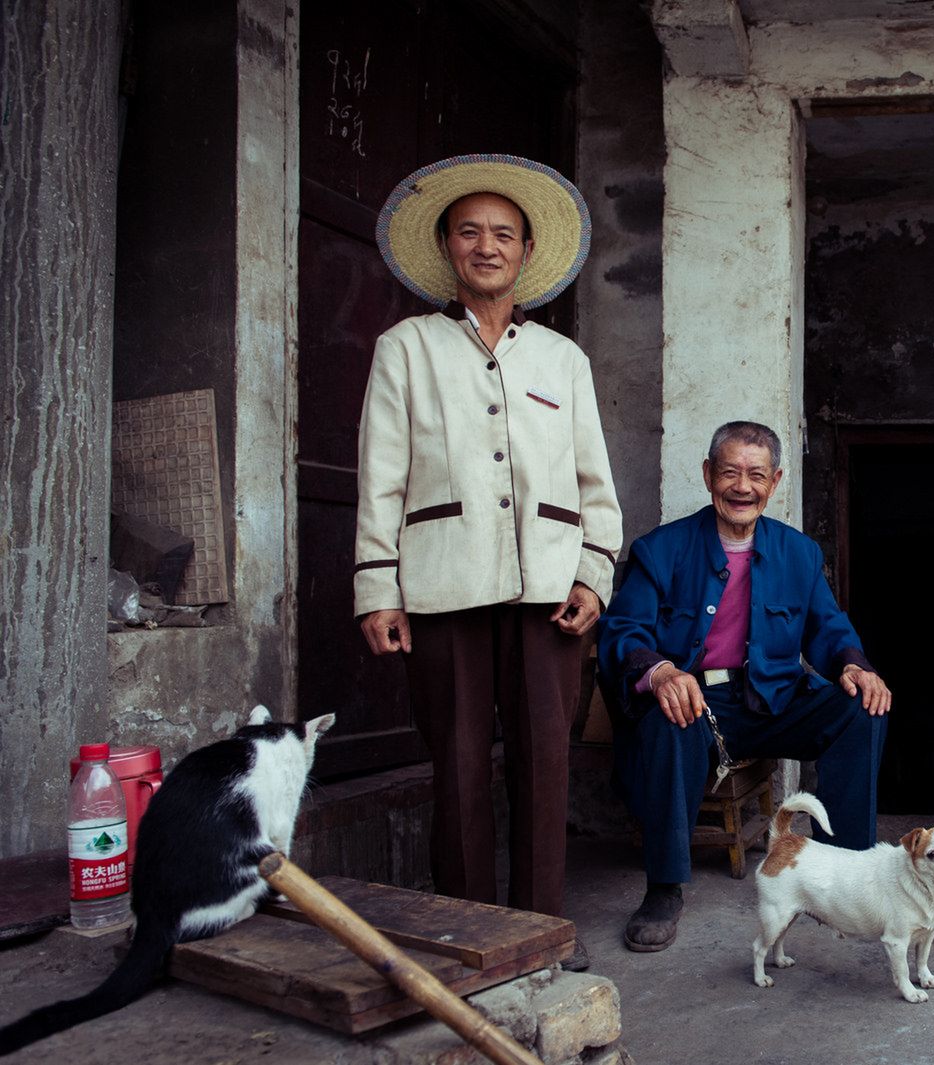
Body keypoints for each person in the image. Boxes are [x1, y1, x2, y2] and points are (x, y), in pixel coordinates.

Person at [354, 154, 622, 971]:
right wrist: (377, 586)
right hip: (443, 583)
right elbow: (381, 474)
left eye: (503, 232)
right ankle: (466, 937)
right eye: (469, 230)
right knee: (460, 765)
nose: (486, 245)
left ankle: (540, 936)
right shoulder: (406, 347)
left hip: (550, 591)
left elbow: (595, 484)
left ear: (525, 250)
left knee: (545, 766)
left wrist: (593, 575)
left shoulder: (563, 360)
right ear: (447, 246)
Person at [597, 421, 891, 953]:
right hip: (697, 702)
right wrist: (660, 670)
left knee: (863, 709)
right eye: (729, 471)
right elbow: (623, 630)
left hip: (773, 699)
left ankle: (844, 871)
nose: (742, 486)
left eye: (756, 475)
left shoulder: (799, 553)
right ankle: (664, 889)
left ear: (774, 482)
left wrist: (852, 664)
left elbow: (827, 627)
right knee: (668, 718)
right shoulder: (661, 549)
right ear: (708, 475)